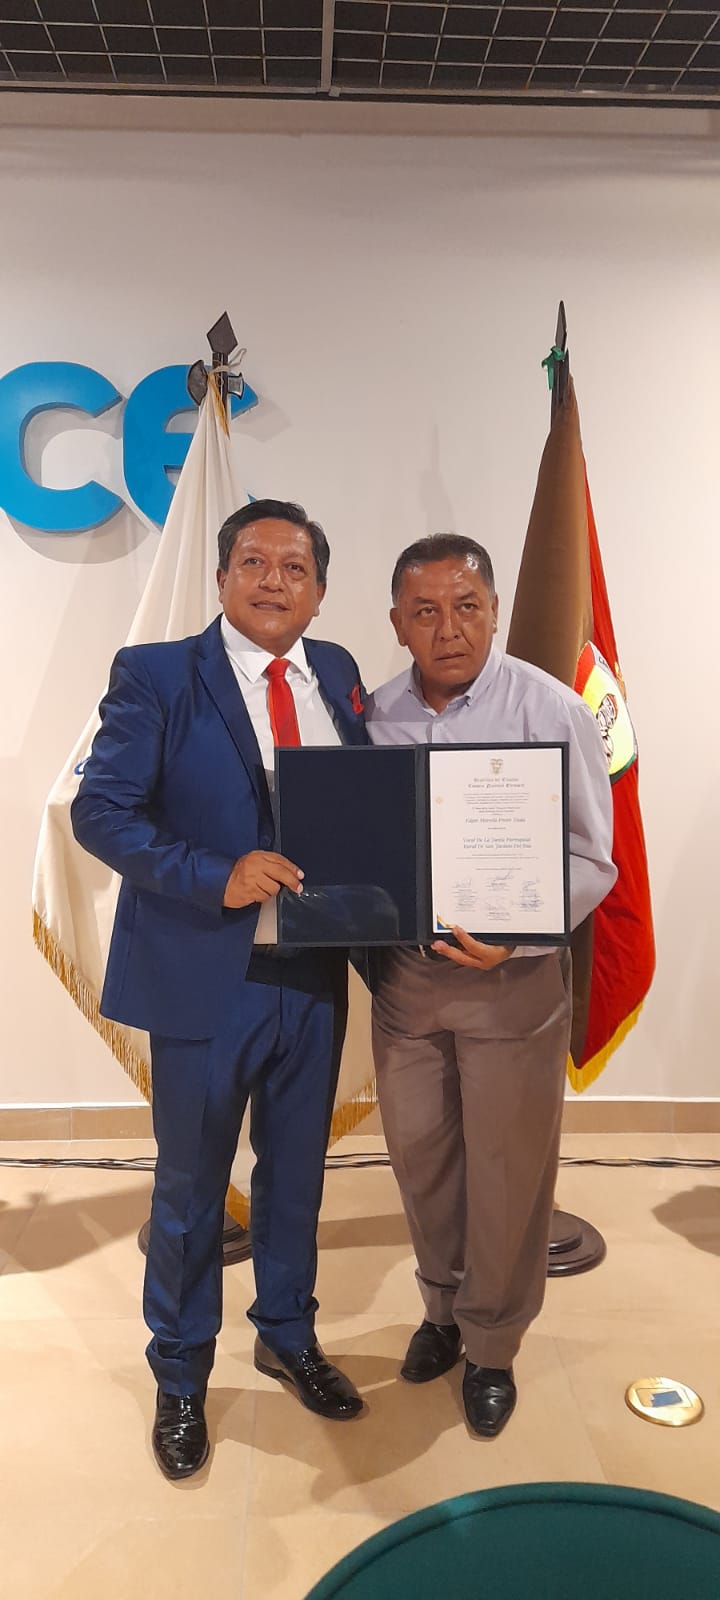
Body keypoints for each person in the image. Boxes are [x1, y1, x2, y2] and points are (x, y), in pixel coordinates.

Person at [72, 499, 368, 1480]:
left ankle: (287, 1335)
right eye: (254, 561)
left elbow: (370, 807)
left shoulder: (337, 672)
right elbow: (101, 812)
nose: (274, 580)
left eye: (295, 567)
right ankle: (182, 1375)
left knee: (296, 1176)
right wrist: (215, 875)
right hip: (207, 974)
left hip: (314, 973)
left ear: (319, 591)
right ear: (222, 577)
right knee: (194, 1188)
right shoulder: (157, 674)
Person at [366, 533, 616, 1440]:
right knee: (423, 1162)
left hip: (514, 983)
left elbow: (593, 857)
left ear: (497, 611)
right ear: (397, 623)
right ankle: (442, 1311)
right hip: (408, 985)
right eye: (425, 611)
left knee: (508, 1172)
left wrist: (518, 933)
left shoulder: (552, 709)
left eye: (467, 607)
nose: (449, 629)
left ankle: (494, 1345)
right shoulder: (374, 716)